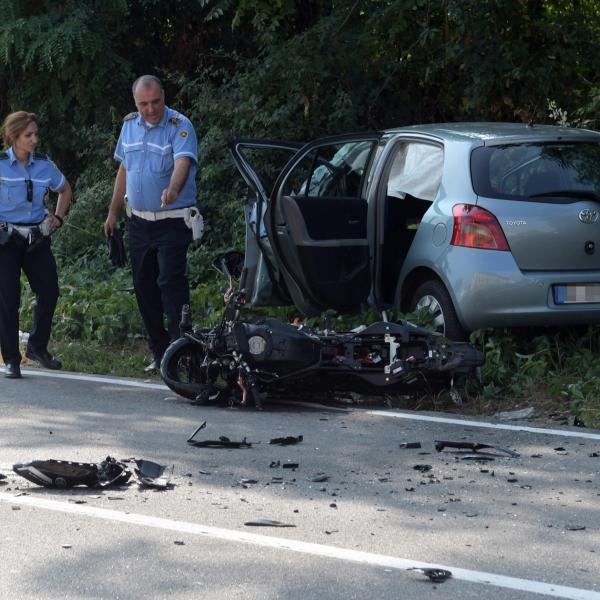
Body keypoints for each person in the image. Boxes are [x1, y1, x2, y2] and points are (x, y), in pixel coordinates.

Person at [104, 75, 198, 373]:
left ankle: (181, 352)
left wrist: (172, 189)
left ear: (164, 96)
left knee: (171, 285)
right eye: (143, 104)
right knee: (144, 287)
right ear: (135, 103)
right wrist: (113, 212)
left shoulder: (179, 125)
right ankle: (159, 354)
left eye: (155, 101)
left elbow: (183, 163)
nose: (150, 109)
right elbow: (124, 168)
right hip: (139, 223)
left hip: (172, 221)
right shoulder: (129, 125)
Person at [0, 111, 72, 379]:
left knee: (50, 291)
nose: (34, 140)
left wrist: (58, 217)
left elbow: (65, 189)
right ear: (13, 136)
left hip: (37, 237)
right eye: (28, 135)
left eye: (35, 135)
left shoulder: (44, 165)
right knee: (8, 300)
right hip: (6, 241)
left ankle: (37, 347)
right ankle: (11, 359)